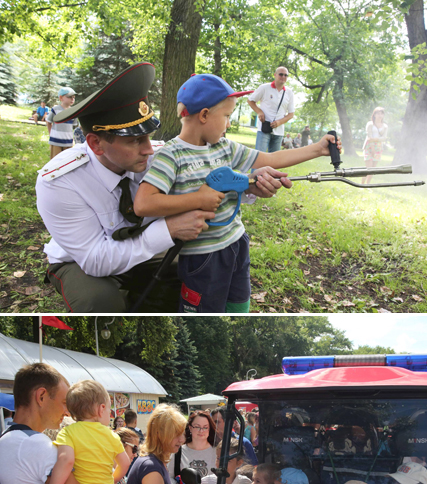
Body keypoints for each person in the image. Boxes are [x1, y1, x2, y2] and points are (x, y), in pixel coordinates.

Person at [36, 63, 297, 314]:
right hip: (81, 262)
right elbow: (96, 258)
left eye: (149, 135)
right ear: (96, 144)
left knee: (192, 276)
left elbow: (209, 181)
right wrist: (169, 229)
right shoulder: (59, 182)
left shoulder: (160, 156)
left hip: (145, 249)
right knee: (100, 304)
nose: (149, 149)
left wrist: (251, 185)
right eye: (136, 140)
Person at [134, 73, 340, 313]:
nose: (229, 124)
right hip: (203, 258)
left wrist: (317, 149)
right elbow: (143, 204)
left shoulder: (225, 147)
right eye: (226, 116)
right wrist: (199, 199)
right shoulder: (172, 155)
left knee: (239, 307)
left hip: (237, 243)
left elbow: (270, 158)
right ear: (204, 115)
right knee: (205, 315)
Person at [248, 67, 295, 153]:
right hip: (264, 128)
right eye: (281, 74)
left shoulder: (289, 92)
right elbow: (250, 100)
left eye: (286, 75)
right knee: (259, 157)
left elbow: (291, 114)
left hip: (279, 132)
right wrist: (259, 111)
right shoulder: (264, 88)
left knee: (274, 161)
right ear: (275, 75)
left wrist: (279, 122)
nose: (283, 76)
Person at [46, 87, 76, 159]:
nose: (72, 99)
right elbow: (48, 121)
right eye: (69, 97)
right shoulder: (55, 109)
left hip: (68, 141)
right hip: (56, 141)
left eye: (74, 97)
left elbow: (75, 126)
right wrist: (51, 134)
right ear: (61, 98)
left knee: (66, 161)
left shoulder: (74, 111)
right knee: (55, 161)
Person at [361, 107, 388, 185]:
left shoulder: (385, 126)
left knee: (373, 169)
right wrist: (372, 147)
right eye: (378, 113)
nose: (380, 115)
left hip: (378, 147)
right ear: (374, 114)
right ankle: (362, 184)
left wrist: (375, 139)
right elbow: (369, 137)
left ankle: (368, 184)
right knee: (368, 168)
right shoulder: (370, 124)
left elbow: (384, 138)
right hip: (369, 146)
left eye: (381, 113)